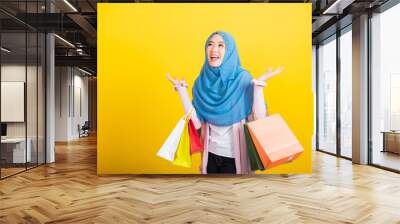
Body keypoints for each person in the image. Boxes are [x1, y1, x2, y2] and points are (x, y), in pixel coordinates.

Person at [167, 31, 283, 174]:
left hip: (235, 159)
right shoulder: (201, 82)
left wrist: (258, 87)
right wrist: (182, 91)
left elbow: (259, 119)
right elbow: (196, 123)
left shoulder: (242, 78)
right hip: (210, 157)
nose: (214, 49)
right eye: (210, 44)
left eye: (221, 45)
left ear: (229, 51)